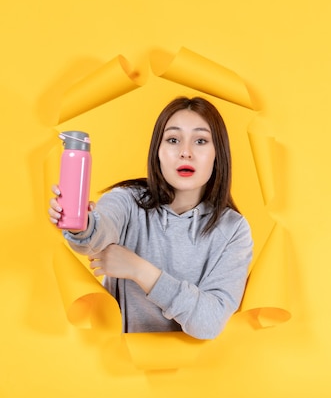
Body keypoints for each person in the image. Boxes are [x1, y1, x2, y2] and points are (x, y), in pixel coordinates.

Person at [48, 96, 253, 340]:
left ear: (217, 154)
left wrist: (139, 270)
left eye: (200, 141)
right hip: (118, 369)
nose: (185, 153)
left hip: (195, 374)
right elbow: (96, 234)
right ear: (158, 151)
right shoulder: (127, 201)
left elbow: (208, 323)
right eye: (173, 140)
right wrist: (81, 223)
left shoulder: (233, 230)